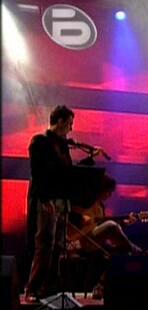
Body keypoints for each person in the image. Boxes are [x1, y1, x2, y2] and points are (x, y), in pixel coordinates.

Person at [24, 105, 107, 300]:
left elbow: (68, 173)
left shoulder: (61, 146)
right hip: (46, 201)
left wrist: (89, 159)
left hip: (61, 202)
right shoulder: (40, 142)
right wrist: (46, 200)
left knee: (58, 246)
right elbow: (40, 174)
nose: (71, 128)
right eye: (69, 123)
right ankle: (32, 289)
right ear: (60, 121)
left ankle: (49, 288)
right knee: (45, 245)